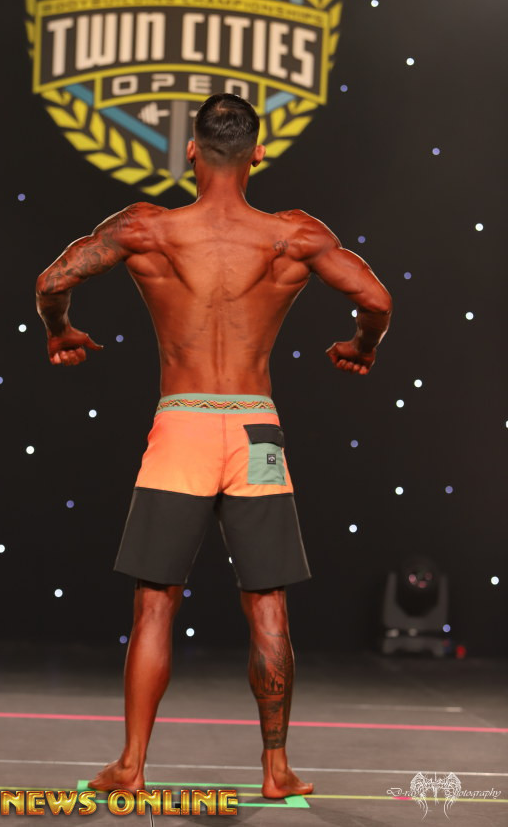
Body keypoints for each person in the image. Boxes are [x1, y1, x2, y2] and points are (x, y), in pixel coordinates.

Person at [35, 93, 392, 799]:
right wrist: (362, 346)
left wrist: (60, 330)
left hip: (184, 426)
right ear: (258, 153)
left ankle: (132, 765)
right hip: (256, 428)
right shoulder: (295, 235)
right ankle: (276, 769)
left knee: (155, 603)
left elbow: (53, 280)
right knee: (268, 604)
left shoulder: (146, 228)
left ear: (191, 150)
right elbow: (377, 300)